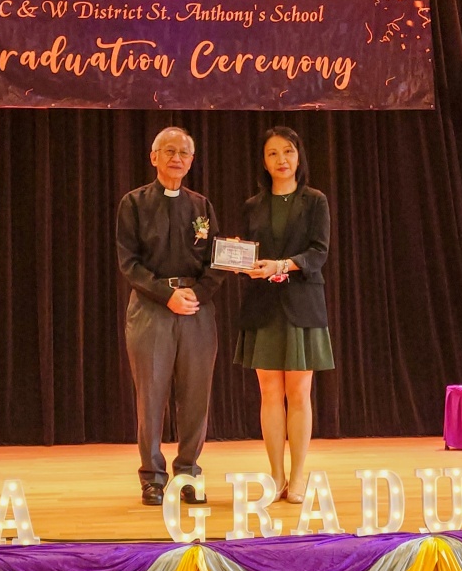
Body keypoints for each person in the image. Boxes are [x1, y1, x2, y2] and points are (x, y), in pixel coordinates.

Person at [116, 126, 224, 506]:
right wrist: (167, 296)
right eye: (169, 151)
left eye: (184, 153)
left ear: (192, 161)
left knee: (196, 397)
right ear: (154, 157)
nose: (177, 158)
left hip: (196, 308)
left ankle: (188, 474)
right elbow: (129, 264)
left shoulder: (201, 206)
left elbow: (217, 259)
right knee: (151, 396)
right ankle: (152, 478)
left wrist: (198, 293)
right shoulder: (133, 203)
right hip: (151, 308)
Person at [235, 126, 334, 503]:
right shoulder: (253, 205)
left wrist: (282, 265)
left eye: (288, 151)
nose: (281, 160)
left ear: (299, 156)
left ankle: (298, 476)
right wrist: (241, 262)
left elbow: (318, 253)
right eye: (273, 153)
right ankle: (275, 476)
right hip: (263, 306)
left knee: (299, 392)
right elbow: (247, 253)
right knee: (269, 393)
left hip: (302, 305)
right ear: (264, 161)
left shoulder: (315, 201)